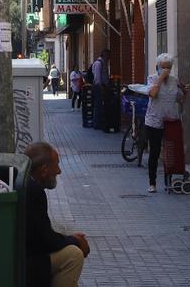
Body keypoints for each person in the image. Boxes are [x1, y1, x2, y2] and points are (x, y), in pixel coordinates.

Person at [24, 142, 89, 287]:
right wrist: (76, 241)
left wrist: (71, 238)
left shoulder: (25, 183)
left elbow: (42, 234)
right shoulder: (33, 191)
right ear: (44, 169)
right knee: (74, 255)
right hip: (26, 263)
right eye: (56, 165)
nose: (59, 171)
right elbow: (47, 240)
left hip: (23, 256)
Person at [144, 53, 189, 193]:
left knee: (172, 151)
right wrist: (161, 78)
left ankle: (170, 180)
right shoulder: (152, 78)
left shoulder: (174, 81)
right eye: (163, 68)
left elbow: (180, 100)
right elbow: (152, 94)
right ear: (157, 67)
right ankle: (152, 183)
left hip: (170, 121)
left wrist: (185, 92)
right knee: (155, 152)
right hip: (154, 121)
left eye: (168, 68)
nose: (166, 70)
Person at [90, 50, 117, 132]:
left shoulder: (102, 63)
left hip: (102, 86)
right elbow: (97, 77)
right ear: (104, 55)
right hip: (99, 87)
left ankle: (99, 123)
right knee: (98, 105)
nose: (109, 58)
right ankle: (97, 124)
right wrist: (101, 87)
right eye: (108, 56)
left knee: (100, 105)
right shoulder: (99, 63)